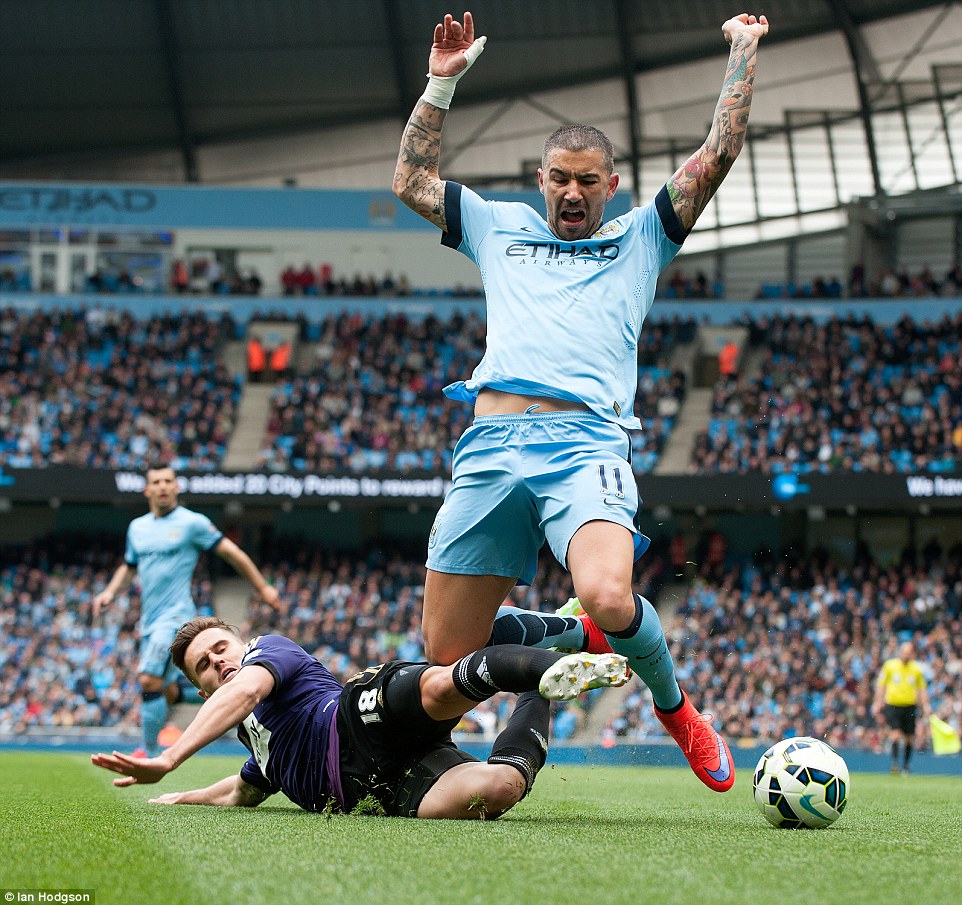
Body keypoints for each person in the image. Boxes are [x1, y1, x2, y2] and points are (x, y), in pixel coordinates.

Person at [393, 10, 770, 793]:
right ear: (540, 181)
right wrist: (441, 82)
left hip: (586, 445)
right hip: (490, 449)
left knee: (608, 589)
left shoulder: (643, 237)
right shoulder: (497, 227)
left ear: (612, 184)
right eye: (559, 178)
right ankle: (562, 636)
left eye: (587, 180)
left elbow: (720, 150)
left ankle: (677, 711)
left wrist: (742, 52)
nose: (572, 192)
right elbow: (411, 182)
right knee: (443, 655)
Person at [91, 616, 628, 819]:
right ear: (199, 686)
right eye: (204, 667)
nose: (219, 663)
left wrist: (169, 758)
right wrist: (180, 795)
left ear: (241, 641)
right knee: (500, 786)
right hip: (378, 787)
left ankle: (555, 661)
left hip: (352, 719)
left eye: (220, 648)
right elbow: (243, 791)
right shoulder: (258, 744)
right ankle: (544, 674)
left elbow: (249, 690)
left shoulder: (265, 656)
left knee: (441, 686)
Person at [93, 465, 281, 757]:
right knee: (166, 689)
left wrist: (263, 588)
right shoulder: (137, 528)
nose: (164, 486)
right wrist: (108, 592)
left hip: (177, 617)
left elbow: (233, 553)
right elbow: (129, 567)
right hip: (149, 621)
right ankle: (233, 688)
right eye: (157, 481)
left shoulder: (192, 523)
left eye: (168, 480)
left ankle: (149, 751)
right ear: (148, 490)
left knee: (148, 680)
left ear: (176, 487)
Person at [872, 640, 930, 774]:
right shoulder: (890, 666)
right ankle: (894, 763)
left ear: (912, 654)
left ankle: (906, 766)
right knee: (896, 735)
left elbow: (922, 689)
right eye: (904, 652)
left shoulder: (916, 669)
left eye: (909, 652)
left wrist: (925, 705)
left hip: (910, 706)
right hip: (893, 705)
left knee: (910, 738)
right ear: (900, 652)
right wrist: (877, 701)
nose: (906, 655)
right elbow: (881, 685)